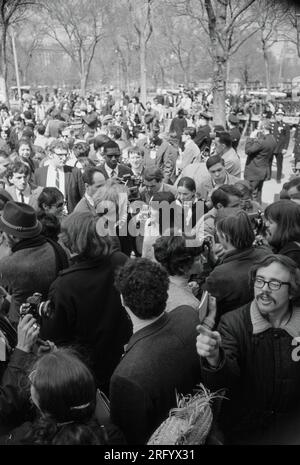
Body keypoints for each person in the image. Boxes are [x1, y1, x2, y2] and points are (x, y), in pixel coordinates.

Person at [197, 254, 300, 444]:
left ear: (292, 291)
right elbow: (224, 381)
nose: (264, 290)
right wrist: (215, 358)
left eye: (275, 283)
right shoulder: (233, 323)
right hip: (246, 432)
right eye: (260, 281)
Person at [110, 258, 201, 444]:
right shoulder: (188, 314)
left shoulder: (126, 377)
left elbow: (130, 440)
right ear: (166, 294)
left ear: (122, 300)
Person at [40, 212, 132, 395]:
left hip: (91, 371)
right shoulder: (121, 260)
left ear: (72, 241)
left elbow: (54, 336)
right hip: (126, 358)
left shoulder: (64, 285)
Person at [1, 348, 124, 445]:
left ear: (37, 401)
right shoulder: (111, 436)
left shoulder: (22, 438)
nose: (31, 378)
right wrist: (59, 364)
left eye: (33, 377)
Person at [0, 202, 67, 325]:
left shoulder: (8, 264)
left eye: (2, 231)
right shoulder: (56, 247)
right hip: (55, 319)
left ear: (12, 236)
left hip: (22, 326)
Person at [205, 210, 269, 320]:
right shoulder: (266, 253)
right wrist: (214, 260)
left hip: (229, 328)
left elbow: (206, 310)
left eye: (217, 232)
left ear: (224, 235)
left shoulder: (219, 275)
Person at [153, 233, 204, 313]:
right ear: (181, 267)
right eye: (197, 259)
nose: (204, 259)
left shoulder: (160, 284)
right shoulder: (191, 305)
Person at [33, 139, 85, 213]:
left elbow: (83, 197)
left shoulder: (74, 172)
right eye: (60, 155)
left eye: (65, 155)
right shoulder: (39, 173)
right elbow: (36, 198)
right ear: (50, 155)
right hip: (46, 217)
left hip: (68, 216)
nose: (64, 158)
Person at [244, 120, 277, 204]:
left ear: (262, 128)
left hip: (254, 172)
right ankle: (259, 212)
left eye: (258, 127)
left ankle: (254, 213)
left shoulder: (261, 142)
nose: (257, 128)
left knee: (251, 194)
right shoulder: (272, 139)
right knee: (258, 193)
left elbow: (247, 150)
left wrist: (250, 138)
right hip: (262, 171)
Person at [264, 200, 300, 270]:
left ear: (284, 226)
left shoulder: (292, 255)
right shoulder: (288, 248)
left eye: (270, 222)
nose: (266, 224)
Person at [142, 191, 176, 260]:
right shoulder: (148, 223)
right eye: (149, 206)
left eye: (153, 208)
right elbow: (144, 251)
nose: (149, 211)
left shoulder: (176, 233)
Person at [269, 108, 290, 183]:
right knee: (269, 162)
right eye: (277, 115)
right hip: (271, 147)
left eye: (281, 115)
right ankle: (268, 176)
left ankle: (278, 178)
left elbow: (287, 138)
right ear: (275, 116)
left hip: (280, 148)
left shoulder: (286, 125)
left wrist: (285, 148)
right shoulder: (271, 125)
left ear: (283, 116)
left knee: (279, 164)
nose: (279, 117)